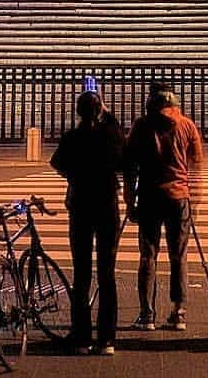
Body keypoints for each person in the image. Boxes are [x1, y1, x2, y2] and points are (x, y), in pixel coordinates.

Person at [50, 90, 126, 355]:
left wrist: (73, 177)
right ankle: (107, 339)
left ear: (78, 112)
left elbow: (56, 163)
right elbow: (123, 157)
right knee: (107, 273)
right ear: (100, 110)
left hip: (81, 205)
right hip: (106, 205)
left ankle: (81, 336)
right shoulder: (110, 135)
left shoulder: (73, 137)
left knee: (81, 273)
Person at [124, 84, 204, 332]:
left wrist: (129, 200)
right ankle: (179, 311)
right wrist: (196, 199)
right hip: (179, 196)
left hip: (149, 196)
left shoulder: (141, 126)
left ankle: (147, 313)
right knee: (179, 255)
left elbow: (129, 166)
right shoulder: (187, 125)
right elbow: (196, 164)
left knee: (148, 255)